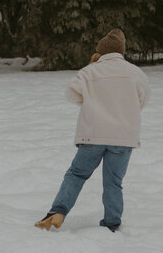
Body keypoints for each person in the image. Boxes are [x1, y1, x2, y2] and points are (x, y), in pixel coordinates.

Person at [34, 28, 150, 233]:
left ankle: (58, 211)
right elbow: (143, 99)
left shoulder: (90, 71)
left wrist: (89, 102)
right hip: (123, 137)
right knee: (113, 181)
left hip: (93, 135)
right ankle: (112, 223)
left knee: (77, 174)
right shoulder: (135, 72)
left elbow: (71, 93)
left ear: (101, 51)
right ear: (121, 51)